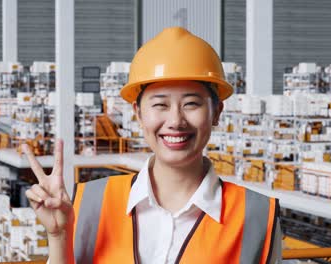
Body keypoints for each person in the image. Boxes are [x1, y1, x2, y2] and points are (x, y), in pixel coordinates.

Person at [23, 27, 282, 264]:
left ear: (216, 112)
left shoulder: (257, 215)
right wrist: (58, 237)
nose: (176, 121)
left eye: (191, 103)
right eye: (160, 105)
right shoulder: (88, 203)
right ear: (138, 113)